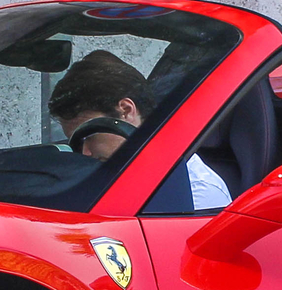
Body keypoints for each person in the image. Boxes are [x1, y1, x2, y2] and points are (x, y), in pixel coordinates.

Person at [46, 50, 233, 211]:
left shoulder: (197, 194)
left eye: (89, 134)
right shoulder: (94, 177)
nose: (84, 153)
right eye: (74, 140)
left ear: (126, 110)